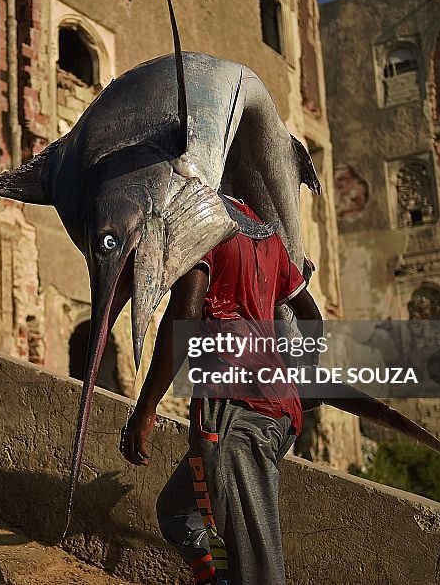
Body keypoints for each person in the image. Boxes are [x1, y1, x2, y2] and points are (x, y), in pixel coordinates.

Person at [120, 197, 323, 585]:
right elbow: (311, 317)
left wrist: (146, 409)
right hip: (276, 415)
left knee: (258, 569)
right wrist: (304, 378)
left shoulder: (202, 220)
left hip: (236, 413)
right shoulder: (265, 235)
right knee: (177, 513)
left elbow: (186, 315)